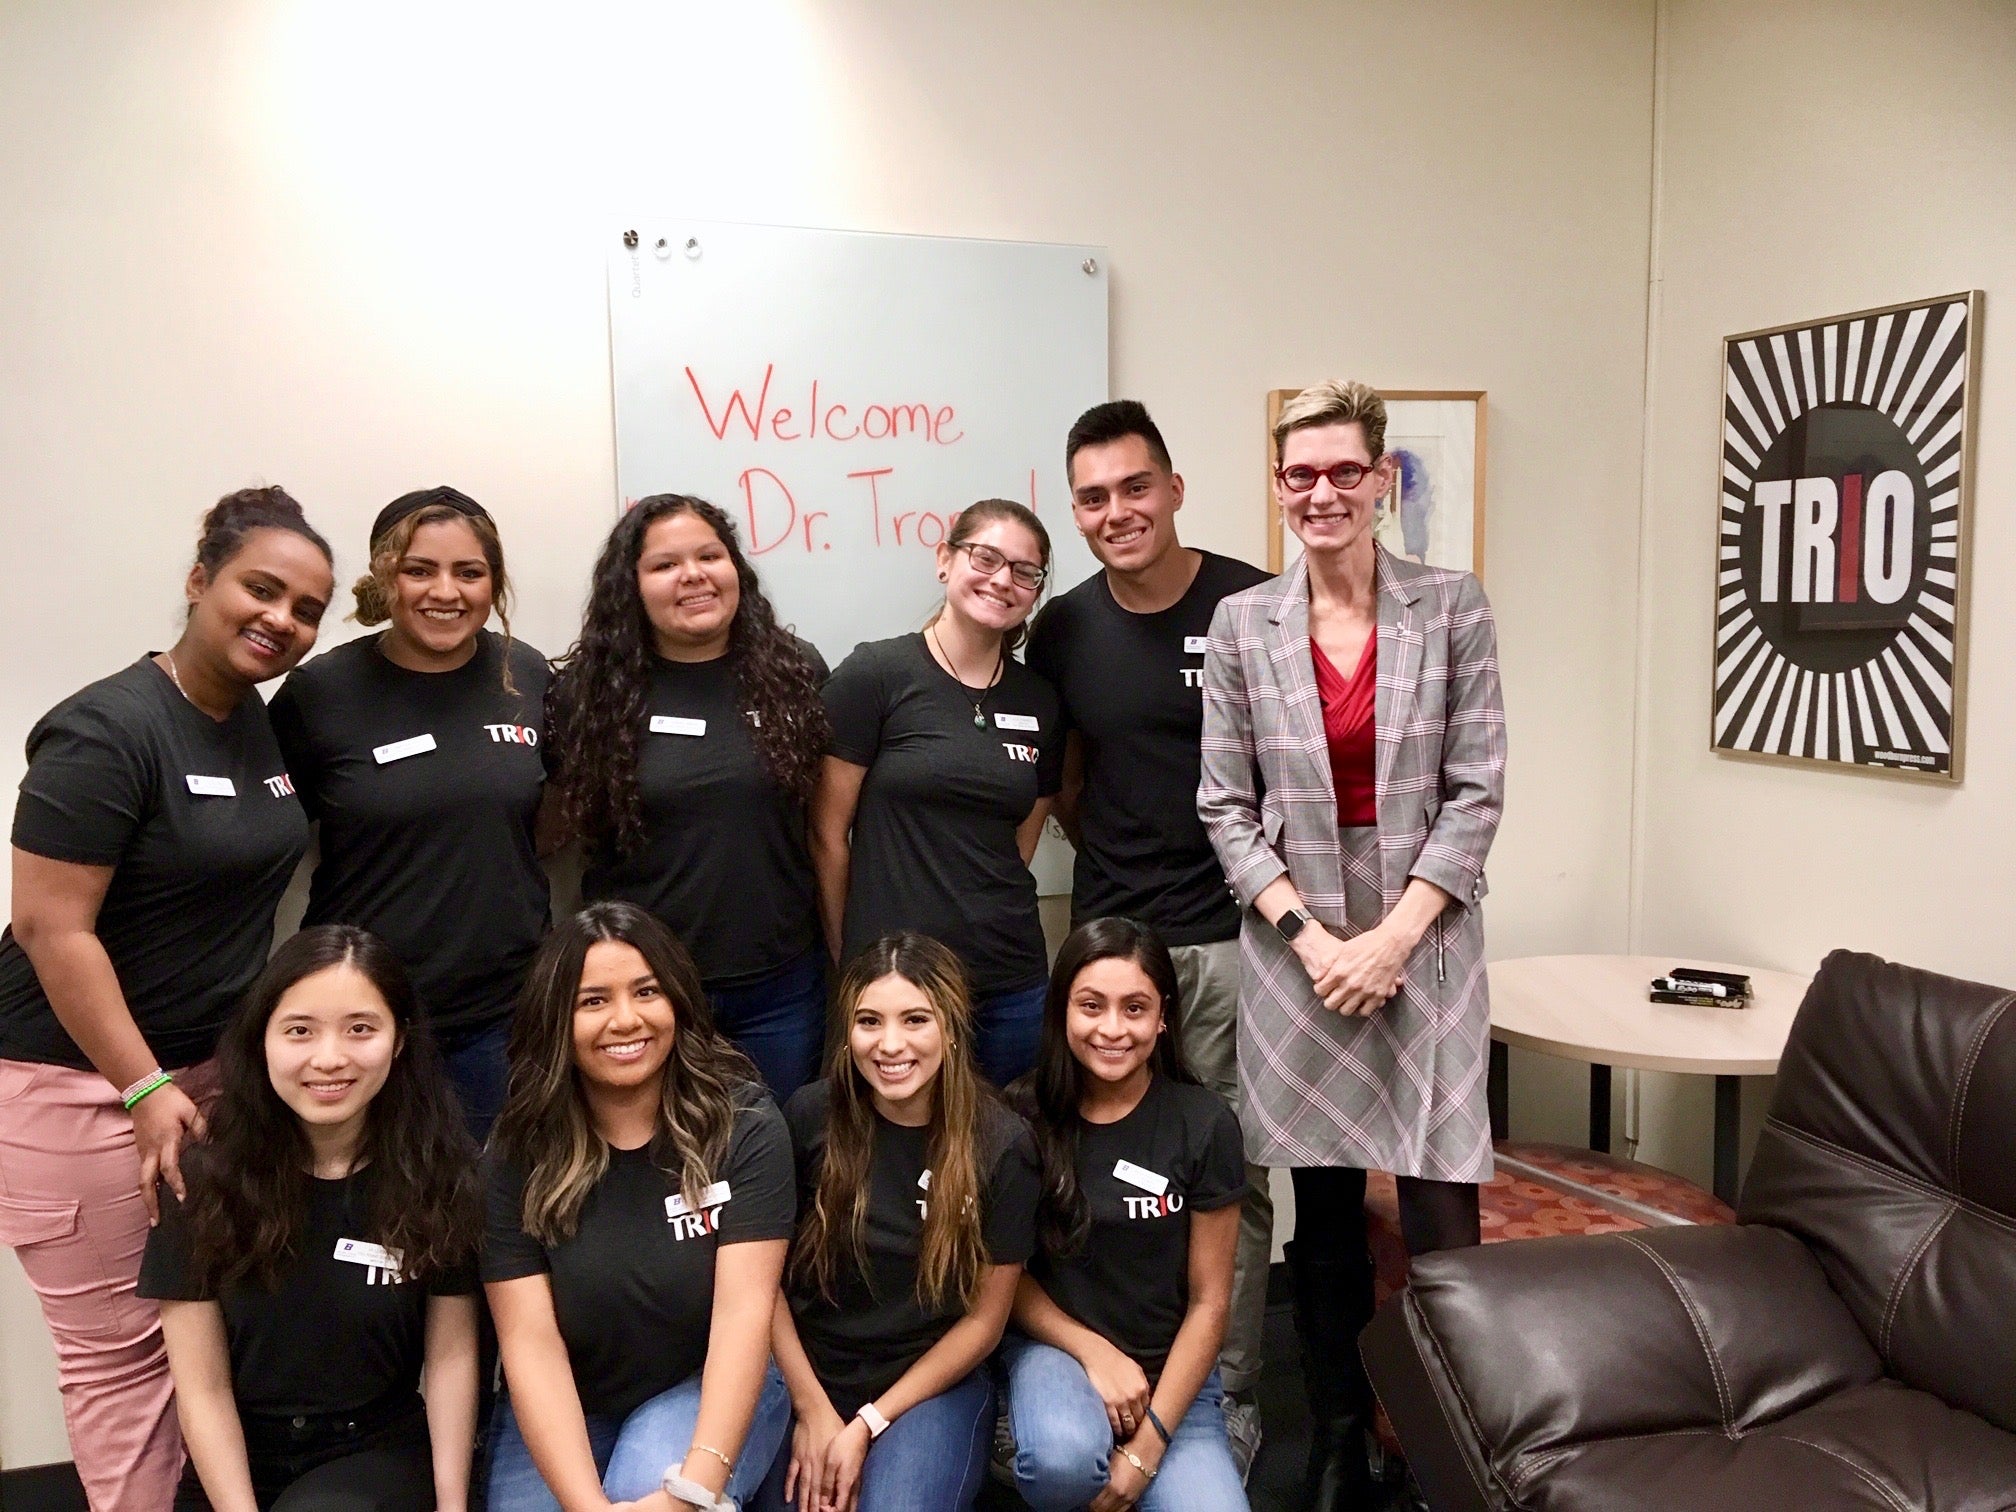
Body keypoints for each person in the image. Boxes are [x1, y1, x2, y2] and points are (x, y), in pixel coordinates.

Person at [1198, 380, 1507, 1510]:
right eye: (1299, 474)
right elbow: (1225, 807)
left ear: (1381, 480)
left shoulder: (1452, 605)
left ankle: (1458, 1448)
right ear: (1279, 487)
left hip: (1425, 929)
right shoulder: (1244, 625)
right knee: (1323, 1207)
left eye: (1343, 472)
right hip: (1296, 938)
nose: (1320, 492)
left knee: (1441, 1208)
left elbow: (1476, 790)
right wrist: (1316, 939)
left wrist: (1392, 937)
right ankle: (1334, 1434)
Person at [0, 487, 333, 1510]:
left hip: (202, 1082)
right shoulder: (107, 732)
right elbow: (54, 929)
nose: (282, 619)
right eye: (260, 590)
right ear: (199, 584)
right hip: (79, 1087)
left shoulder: (252, 726)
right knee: (125, 1361)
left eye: (308, 608)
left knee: (207, 1328)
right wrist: (142, 1089)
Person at [1024, 400, 1275, 1473]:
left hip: (1235, 941)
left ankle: (1228, 1392)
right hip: (1113, 945)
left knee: (1234, 1178)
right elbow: (1067, 785)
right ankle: (1078, 1381)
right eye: (1093, 497)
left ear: (1174, 489)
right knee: (1084, 1172)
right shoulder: (1067, 628)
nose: (1117, 511)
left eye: (1135, 487)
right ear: (1075, 513)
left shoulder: (1255, 605)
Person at [138, 926, 482, 1511]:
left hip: (374, 1456)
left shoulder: (439, 1173)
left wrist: (452, 1506)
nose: (330, 1058)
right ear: (262, 1041)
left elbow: (451, 1359)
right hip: (236, 1460)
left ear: (398, 1040)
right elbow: (203, 1390)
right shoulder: (200, 1178)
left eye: (361, 1029)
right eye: (300, 1031)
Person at [482, 901, 794, 1512]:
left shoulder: (745, 1125)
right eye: (593, 1001)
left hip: (709, 1386)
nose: (626, 1020)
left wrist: (691, 1493)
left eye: (646, 991)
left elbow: (743, 1318)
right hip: (573, 1397)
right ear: (555, 1021)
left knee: (641, 1494)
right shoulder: (515, 1151)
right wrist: (584, 1507)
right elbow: (531, 1345)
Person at [269, 486, 548, 1141]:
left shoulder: (526, 675)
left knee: (494, 1206)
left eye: (469, 572)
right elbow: (268, 832)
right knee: (376, 1217)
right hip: (360, 1017)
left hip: (502, 1013)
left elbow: (555, 808)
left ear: (494, 583)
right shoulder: (321, 692)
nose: (444, 591)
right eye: (418, 570)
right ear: (383, 579)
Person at [547, 495, 831, 1101]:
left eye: (710, 555)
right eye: (665, 564)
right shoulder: (588, 694)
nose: (694, 575)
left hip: (778, 986)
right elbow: (551, 824)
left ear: (736, 569)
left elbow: (825, 823)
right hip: (642, 993)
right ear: (632, 586)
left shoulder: (795, 672)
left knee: (773, 1152)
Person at [764, 933, 1039, 1512]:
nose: (890, 1044)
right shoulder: (808, 1116)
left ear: (952, 1028)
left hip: (929, 1385)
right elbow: (761, 1286)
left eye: (916, 1020)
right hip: (808, 1374)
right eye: (869, 1022)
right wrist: (812, 1409)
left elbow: (986, 1323)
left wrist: (866, 1424)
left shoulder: (1001, 1143)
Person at [813, 500, 1062, 1086]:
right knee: (894, 1151)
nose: (1003, 580)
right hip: (897, 984)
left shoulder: (1039, 700)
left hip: (1009, 979)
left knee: (1005, 1147)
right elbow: (827, 836)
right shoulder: (876, 673)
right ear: (945, 560)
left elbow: (1018, 843)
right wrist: (850, 957)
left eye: (1025, 572)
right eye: (986, 557)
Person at [1002, 918, 1248, 1512]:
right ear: (1062, 1011)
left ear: (1163, 1017)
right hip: (1057, 1354)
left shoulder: (1206, 1123)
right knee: (1062, 1463)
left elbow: (1211, 1302)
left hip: (1173, 1380)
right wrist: (1095, 1353)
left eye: (1134, 1008)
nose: (1113, 1029)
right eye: (1092, 1006)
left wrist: (1147, 1448)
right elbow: (1004, 1281)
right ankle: (1026, 1438)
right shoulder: (1021, 1117)